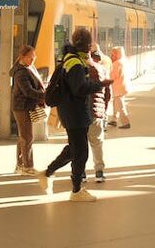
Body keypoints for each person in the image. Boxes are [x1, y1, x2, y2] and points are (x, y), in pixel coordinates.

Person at [38, 28, 112, 202]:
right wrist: (99, 85)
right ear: (87, 45)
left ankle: (48, 173)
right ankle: (76, 190)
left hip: (70, 111)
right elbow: (79, 89)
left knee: (74, 149)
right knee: (81, 153)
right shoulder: (76, 63)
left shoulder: (70, 59)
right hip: (75, 113)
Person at [11, 45, 45, 175]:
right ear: (23, 57)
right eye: (31, 57)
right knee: (27, 137)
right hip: (22, 107)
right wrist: (45, 95)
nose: (33, 59)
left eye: (34, 56)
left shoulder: (27, 68)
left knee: (23, 137)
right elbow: (28, 91)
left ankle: (20, 165)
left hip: (23, 106)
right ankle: (27, 166)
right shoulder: (21, 72)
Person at [86, 45, 111, 183]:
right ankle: (99, 172)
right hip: (96, 113)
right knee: (97, 142)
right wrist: (103, 110)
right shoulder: (103, 70)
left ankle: (81, 173)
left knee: (80, 143)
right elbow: (108, 94)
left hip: (81, 113)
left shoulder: (80, 70)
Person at [108, 46, 131, 129]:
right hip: (123, 86)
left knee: (120, 106)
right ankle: (114, 120)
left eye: (113, 54)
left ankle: (126, 122)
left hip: (118, 88)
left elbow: (112, 76)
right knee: (115, 104)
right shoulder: (124, 61)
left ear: (117, 54)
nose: (111, 56)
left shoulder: (117, 63)